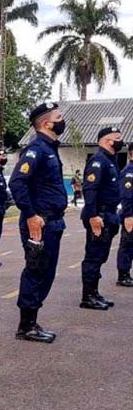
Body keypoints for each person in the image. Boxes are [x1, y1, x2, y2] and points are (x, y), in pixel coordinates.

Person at [9, 101, 68, 343]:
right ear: (45, 123)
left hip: (53, 222)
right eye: (58, 116)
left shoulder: (50, 148)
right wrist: (31, 214)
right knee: (36, 270)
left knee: (46, 272)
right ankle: (26, 326)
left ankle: (32, 321)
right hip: (39, 223)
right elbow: (17, 183)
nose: (62, 119)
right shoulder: (36, 150)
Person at [78, 127, 124, 310]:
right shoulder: (98, 161)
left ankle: (94, 292)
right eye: (118, 138)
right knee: (93, 257)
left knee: (100, 257)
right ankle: (87, 296)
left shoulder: (110, 161)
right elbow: (90, 189)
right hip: (100, 215)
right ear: (107, 140)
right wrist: (93, 216)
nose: (122, 141)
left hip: (109, 215)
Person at [117, 144, 133, 287]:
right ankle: (123, 275)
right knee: (127, 245)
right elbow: (126, 196)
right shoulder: (129, 172)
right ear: (130, 154)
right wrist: (128, 215)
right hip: (131, 215)